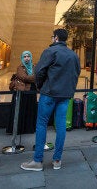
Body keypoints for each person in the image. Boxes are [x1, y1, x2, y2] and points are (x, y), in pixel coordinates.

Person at [21, 29, 80, 171]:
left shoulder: (50, 51)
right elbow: (76, 73)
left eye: (52, 37)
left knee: (41, 124)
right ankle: (57, 160)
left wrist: (40, 86)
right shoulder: (73, 55)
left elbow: (39, 71)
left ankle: (37, 161)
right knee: (61, 126)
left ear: (56, 38)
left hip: (49, 93)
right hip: (64, 95)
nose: (52, 39)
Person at [6, 51, 37, 134]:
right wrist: (34, 78)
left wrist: (32, 77)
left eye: (28, 56)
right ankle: (19, 129)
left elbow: (37, 76)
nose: (27, 58)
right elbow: (24, 77)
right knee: (21, 110)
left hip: (32, 91)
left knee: (30, 109)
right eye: (25, 57)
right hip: (23, 91)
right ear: (22, 58)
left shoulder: (34, 66)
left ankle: (28, 128)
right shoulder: (20, 67)